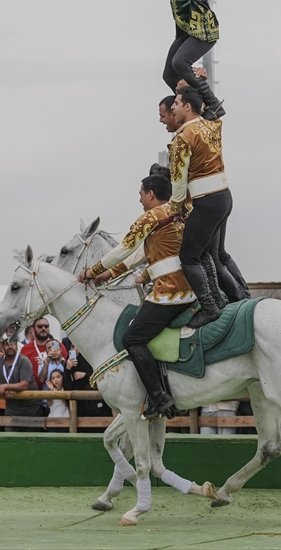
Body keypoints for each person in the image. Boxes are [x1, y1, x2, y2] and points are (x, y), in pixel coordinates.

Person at [83, 169, 198, 419]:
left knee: (131, 338)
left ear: (151, 194)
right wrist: (112, 273)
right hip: (192, 290)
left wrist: (93, 271)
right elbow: (147, 254)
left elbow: (124, 250)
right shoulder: (182, 213)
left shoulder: (149, 218)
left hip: (170, 293)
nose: (139, 199)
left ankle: (158, 397)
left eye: (141, 194)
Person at [166, 88, 245, 327]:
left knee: (189, 257)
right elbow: (214, 107)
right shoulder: (212, 125)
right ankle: (237, 297)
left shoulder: (183, 137)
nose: (173, 107)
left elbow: (178, 181)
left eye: (177, 103)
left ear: (187, 107)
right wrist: (199, 83)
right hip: (224, 196)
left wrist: (175, 208)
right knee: (212, 254)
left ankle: (211, 308)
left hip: (207, 201)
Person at [0, 336, 41, 431]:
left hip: (30, 407)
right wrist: (3, 391)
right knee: (9, 440)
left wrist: (5, 386)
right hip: (11, 407)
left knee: (30, 441)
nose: (10, 347)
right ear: (2, 347)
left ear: (17, 346)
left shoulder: (24, 361)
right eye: (7, 344)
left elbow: (24, 384)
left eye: (13, 344)